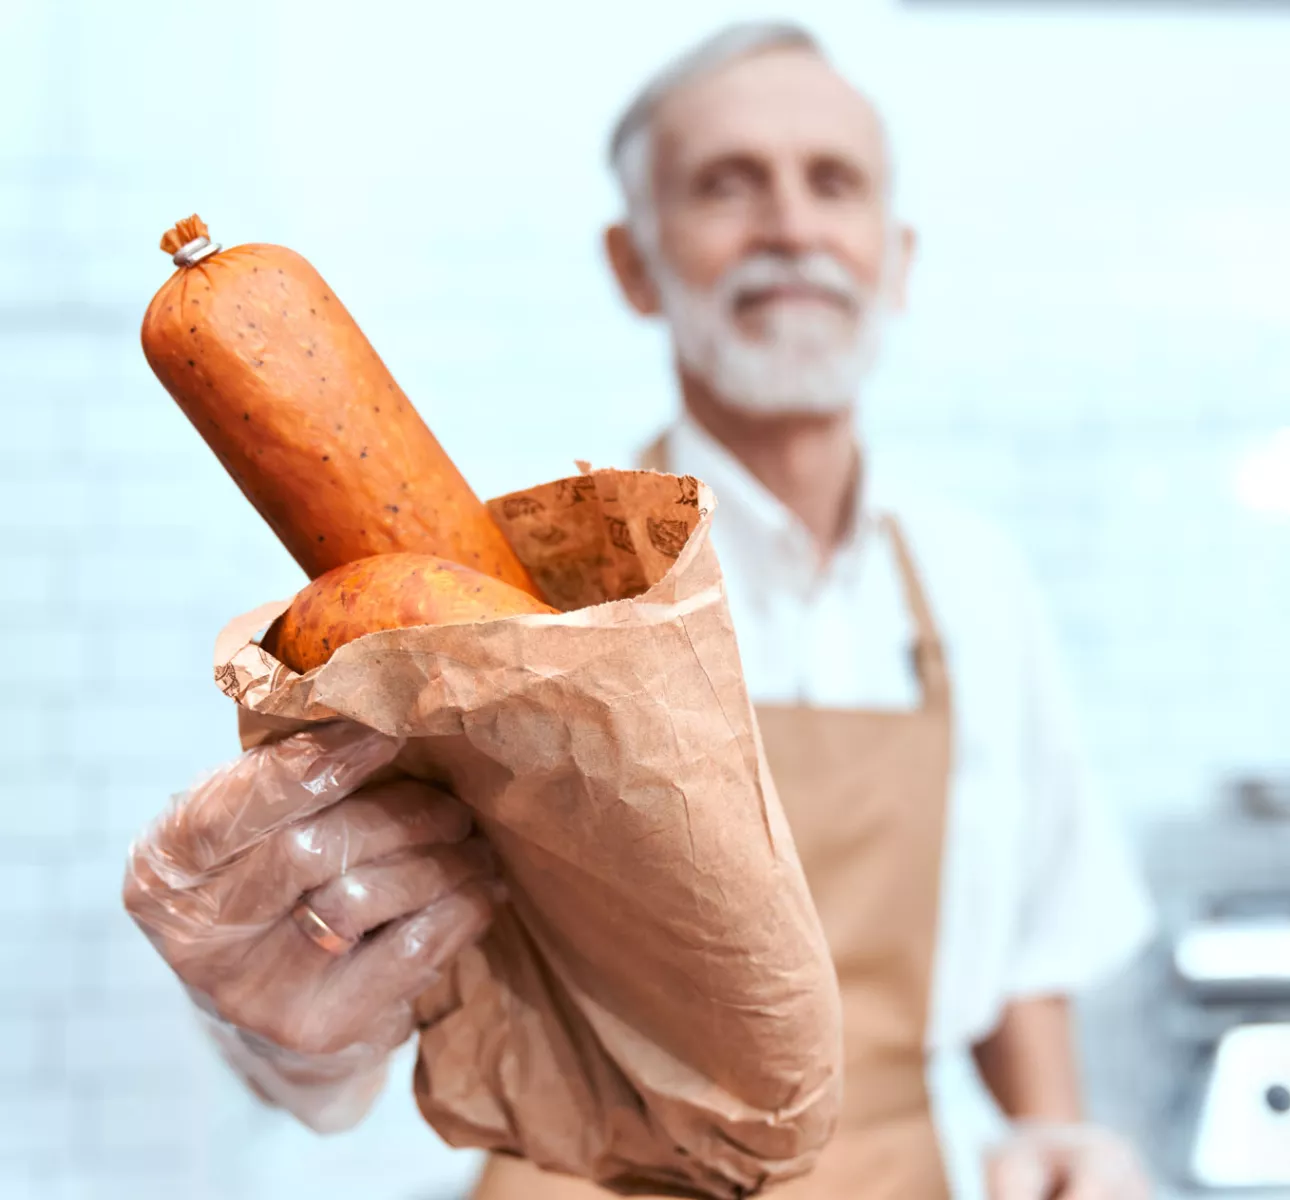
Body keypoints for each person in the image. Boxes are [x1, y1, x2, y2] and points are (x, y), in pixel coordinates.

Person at [124, 20, 1155, 1200]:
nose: (789, 226)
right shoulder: (513, 607)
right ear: (633, 262)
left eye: (834, 184)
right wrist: (280, 1013)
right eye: (727, 185)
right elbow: (356, 1004)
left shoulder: (978, 586)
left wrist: (1057, 1134)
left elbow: (1027, 951)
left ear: (897, 254)